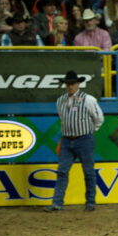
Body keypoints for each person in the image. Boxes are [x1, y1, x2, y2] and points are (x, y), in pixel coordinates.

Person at [45, 70, 104, 212]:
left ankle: (90, 202)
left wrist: (88, 132)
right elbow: (64, 119)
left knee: (88, 171)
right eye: (68, 84)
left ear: (78, 84)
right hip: (67, 139)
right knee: (62, 171)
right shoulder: (60, 100)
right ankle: (57, 203)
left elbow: (99, 119)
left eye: (72, 83)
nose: (70, 86)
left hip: (84, 139)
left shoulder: (88, 99)